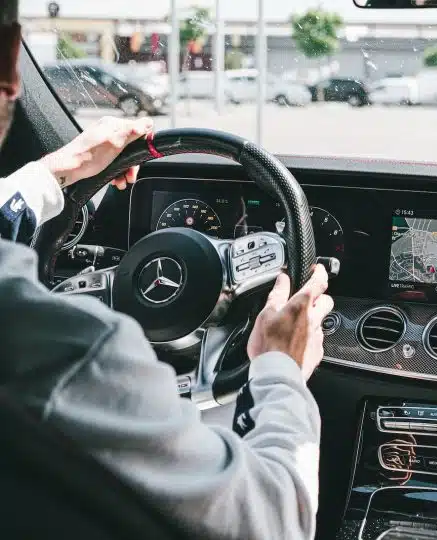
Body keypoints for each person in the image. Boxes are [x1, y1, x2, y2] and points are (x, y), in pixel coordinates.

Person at [0, 3, 331, 539]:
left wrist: (53, 173)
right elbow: (276, 521)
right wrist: (280, 371)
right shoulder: (68, 354)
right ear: (11, 61)